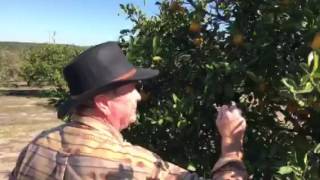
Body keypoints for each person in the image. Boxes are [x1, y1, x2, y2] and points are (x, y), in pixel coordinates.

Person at [10, 42, 247, 180]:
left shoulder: (36, 147)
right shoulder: (135, 165)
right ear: (103, 102)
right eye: (131, 88)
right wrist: (231, 142)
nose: (137, 95)